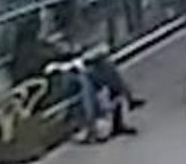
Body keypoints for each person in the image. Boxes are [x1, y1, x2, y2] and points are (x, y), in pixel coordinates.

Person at [10, 28, 141, 143]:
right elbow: (45, 70)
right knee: (85, 79)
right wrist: (66, 62)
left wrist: (72, 58)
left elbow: (62, 55)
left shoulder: (41, 46)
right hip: (49, 85)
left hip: (63, 75)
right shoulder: (30, 54)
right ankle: (95, 124)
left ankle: (120, 111)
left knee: (104, 66)